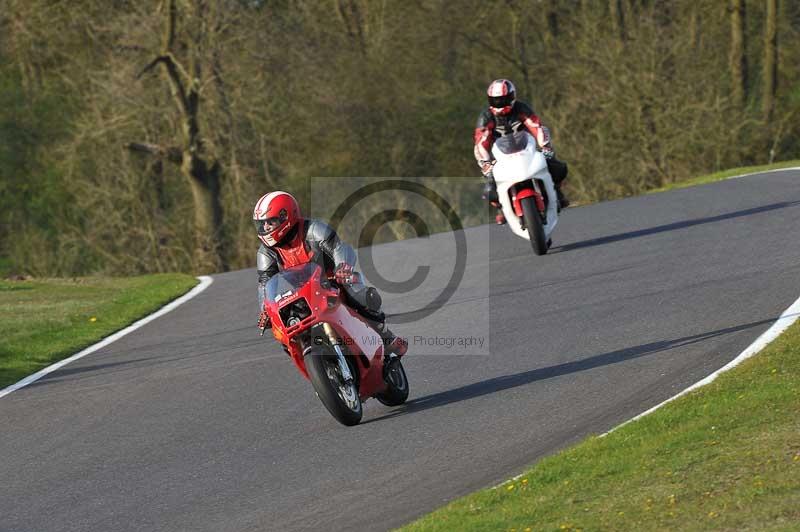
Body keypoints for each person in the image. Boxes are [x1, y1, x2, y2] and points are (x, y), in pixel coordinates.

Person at [253, 191, 407, 357]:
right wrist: (266, 310)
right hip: (299, 295)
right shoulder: (265, 252)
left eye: (271, 222)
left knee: (358, 294)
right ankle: (317, 365)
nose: (266, 228)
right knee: (284, 332)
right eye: (262, 223)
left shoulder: (313, 229)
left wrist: (343, 267)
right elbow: (265, 283)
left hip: (332, 280)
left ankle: (387, 337)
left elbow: (338, 248)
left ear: (286, 216)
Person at [473, 78, 569, 225]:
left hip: (526, 149)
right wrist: (485, 163)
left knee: (555, 165)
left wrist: (545, 147)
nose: (500, 104)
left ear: (512, 97)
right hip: (501, 156)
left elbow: (536, 126)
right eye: (496, 101)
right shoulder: (486, 117)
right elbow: (481, 141)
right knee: (489, 188)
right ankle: (501, 207)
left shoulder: (521, 109)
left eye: (504, 100)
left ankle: (557, 192)